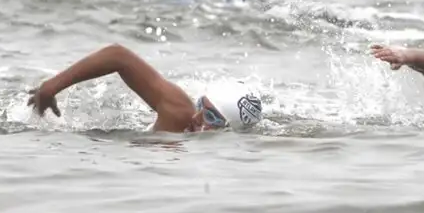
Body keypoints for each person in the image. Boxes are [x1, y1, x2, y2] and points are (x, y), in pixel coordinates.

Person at [27, 43, 263, 133]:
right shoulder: (179, 111)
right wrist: (51, 87)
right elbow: (118, 56)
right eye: (202, 105)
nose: (197, 116)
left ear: (229, 131)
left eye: (211, 116)